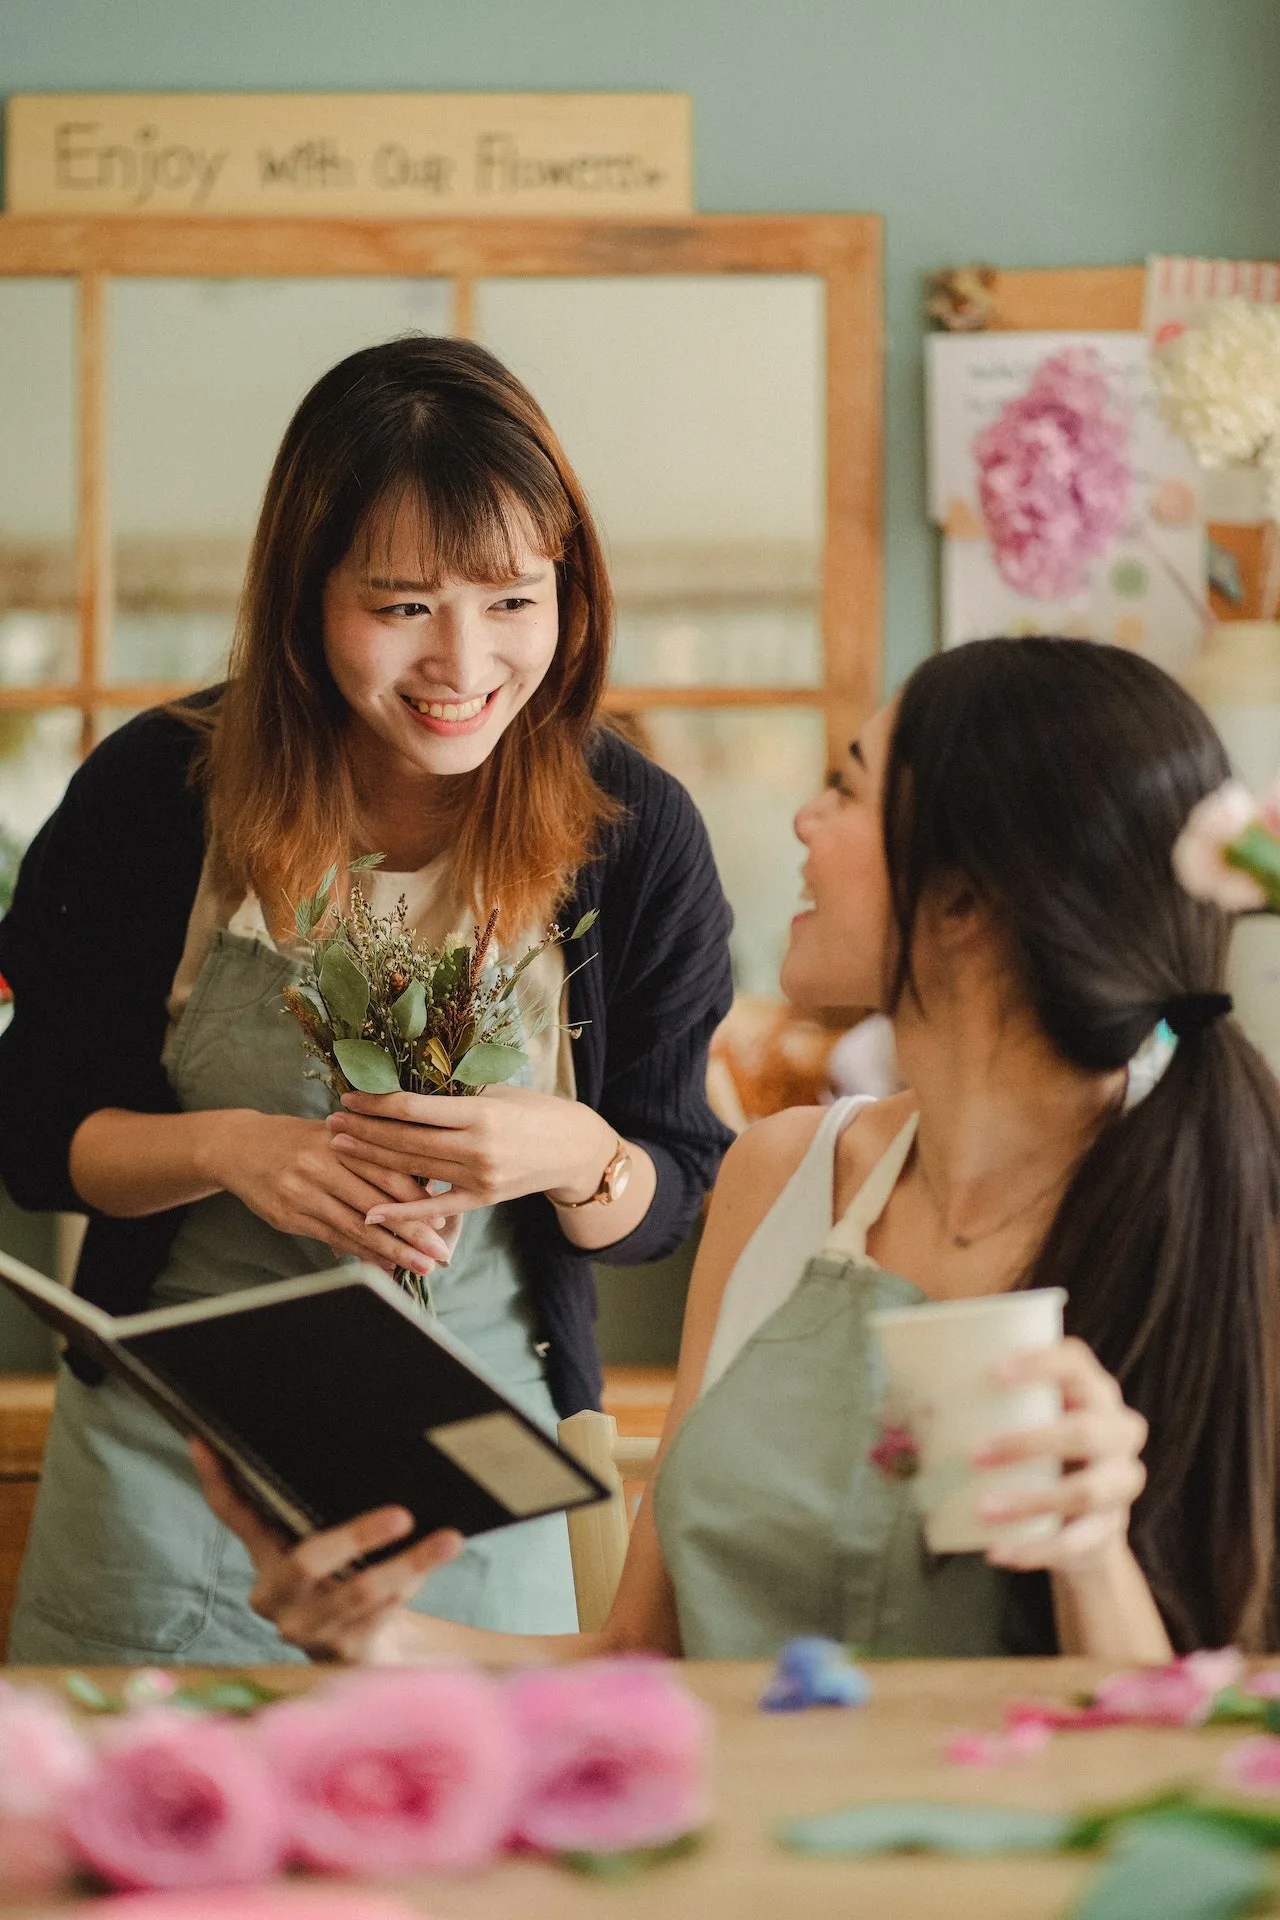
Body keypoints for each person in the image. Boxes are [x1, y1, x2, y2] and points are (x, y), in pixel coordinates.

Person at [202, 637, 1280, 1664]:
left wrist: (1087, 1553)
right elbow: (638, 1659)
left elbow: (1188, 1755)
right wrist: (373, 1639)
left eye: (848, 790)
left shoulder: (1212, 1214)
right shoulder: (778, 1179)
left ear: (965, 897)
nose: (805, 820)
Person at [0, 336, 734, 1662]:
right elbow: (34, 1137)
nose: (463, 663)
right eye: (400, 607)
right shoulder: (152, 798)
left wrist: (579, 1156)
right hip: (174, 1479)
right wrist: (230, 1150)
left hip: (472, 1490)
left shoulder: (635, 832)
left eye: (513, 599)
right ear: (304, 596)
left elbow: (675, 1186)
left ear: (569, 584)